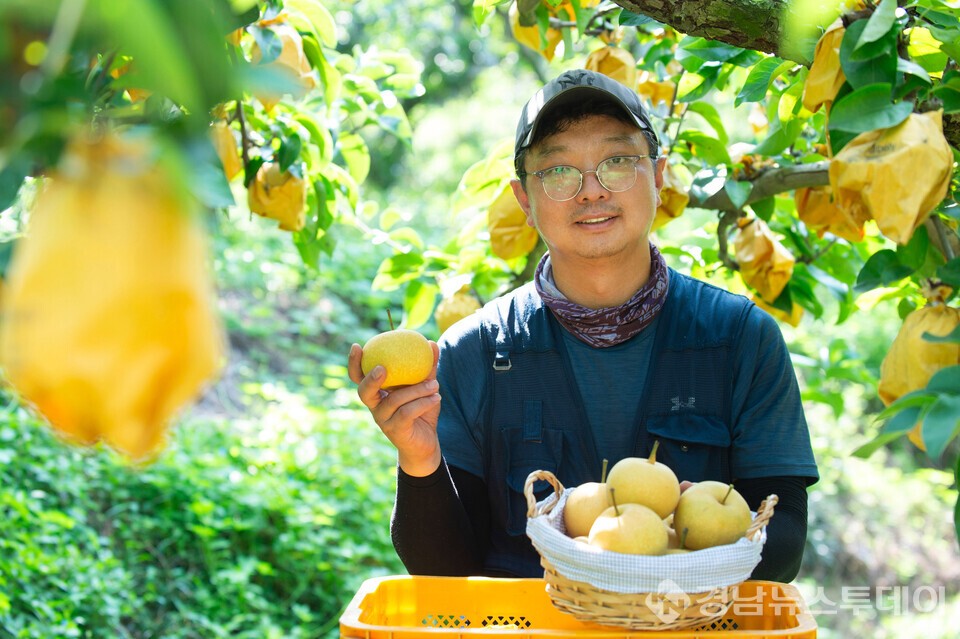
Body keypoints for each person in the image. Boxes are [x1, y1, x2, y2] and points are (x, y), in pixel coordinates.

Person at [348, 68, 819, 581]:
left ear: (658, 177)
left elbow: (784, 546)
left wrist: (689, 544)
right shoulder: (474, 351)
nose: (592, 191)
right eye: (558, 171)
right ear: (525, 201)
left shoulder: (740, 338)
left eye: (617, 162)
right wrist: (420, 461)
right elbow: (444, 571)